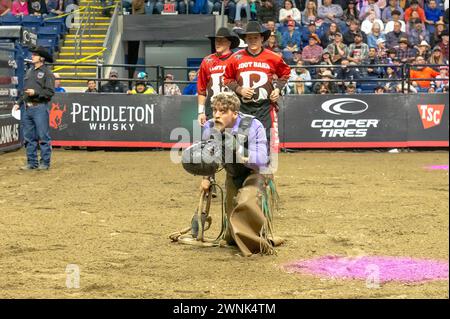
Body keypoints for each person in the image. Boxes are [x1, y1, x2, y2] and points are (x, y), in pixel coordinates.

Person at [198, 92, 282, 256]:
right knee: (231, 235)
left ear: (235, 113)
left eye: (222, 111)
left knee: (245, 202)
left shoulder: (252, 125)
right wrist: (206, 178)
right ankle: (243, 238)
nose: (216, 115)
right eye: (214, 110)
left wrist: (239, 150)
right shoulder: (209, 127)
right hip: (233, 173)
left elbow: (261, 158)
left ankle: (257, 247)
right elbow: (209, 156)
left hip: (256, 172)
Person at [223, 21, 291, 153]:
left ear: (262, 39)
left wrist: (277, 89)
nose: (253, 40)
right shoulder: (235, 57)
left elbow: (285, 73)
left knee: (266, 141)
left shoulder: (273, 57)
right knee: (242, 142)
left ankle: (265, 171)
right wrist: (239, 89)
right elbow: (227, 78)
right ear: (245, 39)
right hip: (243, 108)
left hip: (265, 108)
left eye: (256, 37)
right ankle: (245, 171)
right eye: (249, 38)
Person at [13, 46, 55, 170]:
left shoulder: (48, 73)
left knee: (43, 136)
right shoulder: (29, 71)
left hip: (39, 107)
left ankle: (45, 163)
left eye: (35, 55)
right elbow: (25, 91)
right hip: (27, 108)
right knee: (28, 137)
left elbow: (50, 92)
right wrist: (18, 102)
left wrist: (35, 93)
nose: (32, 56)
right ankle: (32, 163)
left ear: (41, 58)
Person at [197, 27, 240, 126]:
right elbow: (201, 89)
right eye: (216, 40)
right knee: (213, 139)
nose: (218, 43)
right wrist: (200, 112)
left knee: (232, 140)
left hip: (231, 109)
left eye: (222, 40)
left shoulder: (237, 60)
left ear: (229, 43)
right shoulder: (207, 61)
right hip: (212, 108)